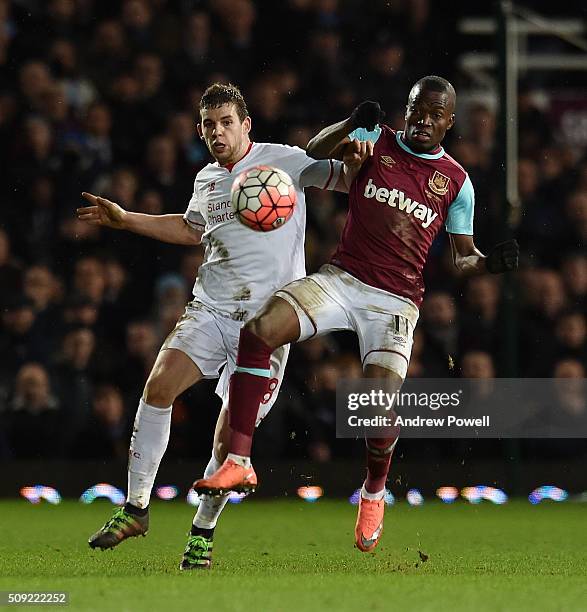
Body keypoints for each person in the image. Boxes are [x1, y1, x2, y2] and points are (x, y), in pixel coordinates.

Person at [194, 76, 519, 553]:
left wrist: (489, 263)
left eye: (435, 113)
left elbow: (462, 257)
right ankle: (239, 458)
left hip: (395, 303)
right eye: (416, 109)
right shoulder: (378, 140)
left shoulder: (456, 182)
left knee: (377, 409)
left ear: (450, 122)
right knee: (260, 329)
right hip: (342, 280)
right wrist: (352, 123)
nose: (423, 120)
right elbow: (314, 149)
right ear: (405, 110)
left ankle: (373, 490)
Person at [77, 83, 351, 569]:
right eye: (209, 125)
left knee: (230, 438)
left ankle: (201, 533)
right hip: (211, 308)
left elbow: (346, 178)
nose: (217, 132)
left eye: (226, 122)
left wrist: (361, 148)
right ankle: (136, 507)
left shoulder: (286, 160)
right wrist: (126, 220)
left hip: (267, 324)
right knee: (158, 385)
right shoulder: (207, 178)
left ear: (246, 124)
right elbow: (189, 228)